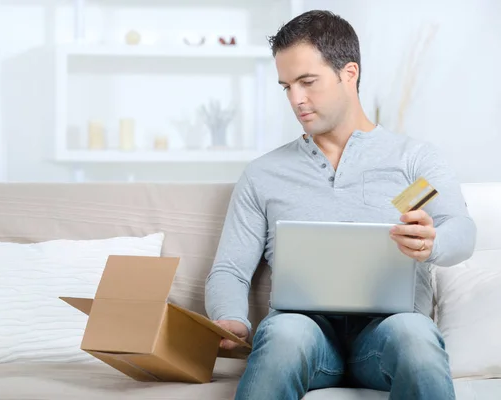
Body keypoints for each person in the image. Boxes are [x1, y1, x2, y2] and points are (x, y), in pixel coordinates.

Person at [204, 9, 476, 400]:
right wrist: (229, 318)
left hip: (390, 334)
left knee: (416, 335)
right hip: (303, 334)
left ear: (349, 73)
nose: (296, 99)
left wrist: (433, 243)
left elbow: (461, 229)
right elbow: (229, 269)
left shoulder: (415, 161)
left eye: (307, 82)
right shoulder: (263, 174)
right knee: (282, 334)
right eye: (286, 87)